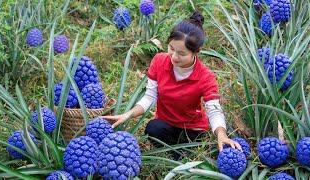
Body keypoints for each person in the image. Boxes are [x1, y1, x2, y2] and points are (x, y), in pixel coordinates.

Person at [102, 11, 241, 154]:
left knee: (193, 142)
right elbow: (150, 97)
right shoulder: (159, 61)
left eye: (182, 53)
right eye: (171, 48)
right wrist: (128, 114)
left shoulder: (206, 77)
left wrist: (221, 134)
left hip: (192, 128)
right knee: (152, 128)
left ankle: (181, 153)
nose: (174, 57)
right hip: (165, 124)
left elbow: (214, 110)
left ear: (196, 52)